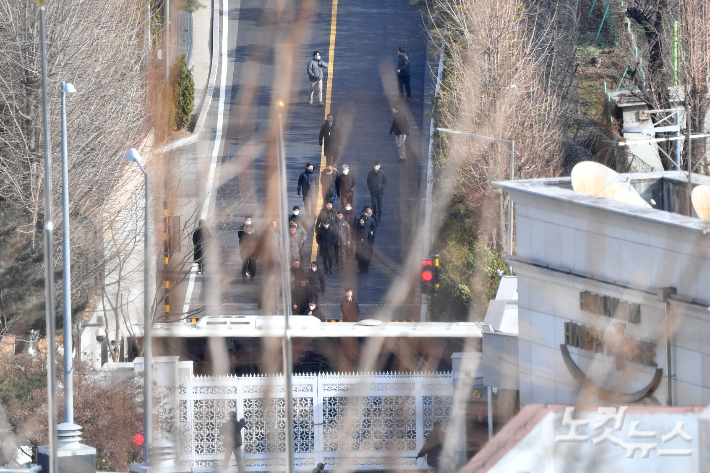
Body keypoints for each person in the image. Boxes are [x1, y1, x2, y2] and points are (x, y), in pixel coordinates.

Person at [238, 217, 259, 282]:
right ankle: (243, 277)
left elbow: (257, 242)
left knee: (252, 265)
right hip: (245, 252)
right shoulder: (243, 233)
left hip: (253, 252)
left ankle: (252, 276)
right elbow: (240, 241)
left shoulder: (255, 235)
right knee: (244, 264)